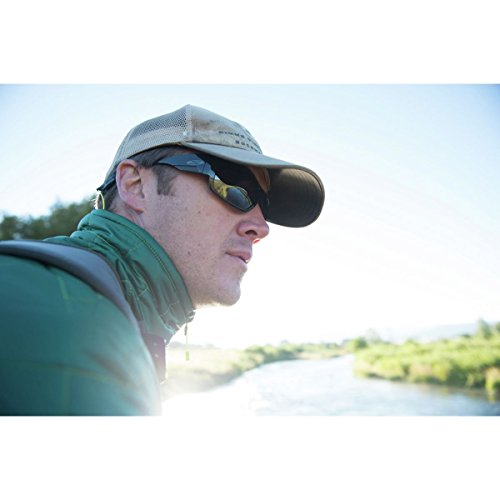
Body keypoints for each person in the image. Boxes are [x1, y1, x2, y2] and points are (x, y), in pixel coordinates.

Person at [0, 104, 325, 415]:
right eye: (233, 189)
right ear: (135, 185)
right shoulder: (64, 319)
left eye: (263, 205)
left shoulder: (106, 311)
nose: (261, 227)